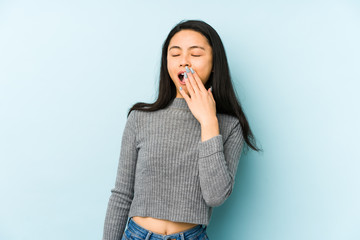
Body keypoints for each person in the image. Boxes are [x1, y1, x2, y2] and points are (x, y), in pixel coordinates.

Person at [102, 19, 261, 240]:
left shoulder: (229, 125)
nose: (184, 62)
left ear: (215, 63)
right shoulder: (140, 118)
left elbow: (215, 196)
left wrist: (208, 122)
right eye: (175, 54)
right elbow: (121, 195)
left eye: (195, 55)